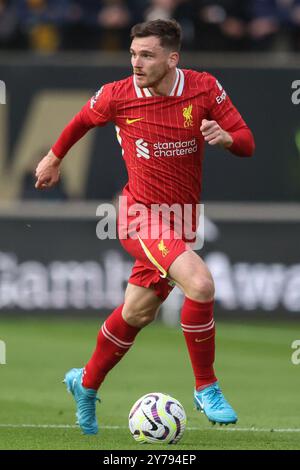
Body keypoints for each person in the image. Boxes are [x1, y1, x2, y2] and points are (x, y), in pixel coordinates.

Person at [35, 19, 255, 435]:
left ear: (173, 58)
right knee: (202, 285)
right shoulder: (119, 95)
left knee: (137, 312)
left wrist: (226, 138)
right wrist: (54, 157)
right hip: (138, 215)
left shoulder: (204, 88)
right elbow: (81, 119)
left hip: (181, 221)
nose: (137, 63)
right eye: (133, 54)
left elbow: (247, 141)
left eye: (147, 55)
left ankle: (84, 383)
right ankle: (206, 386)